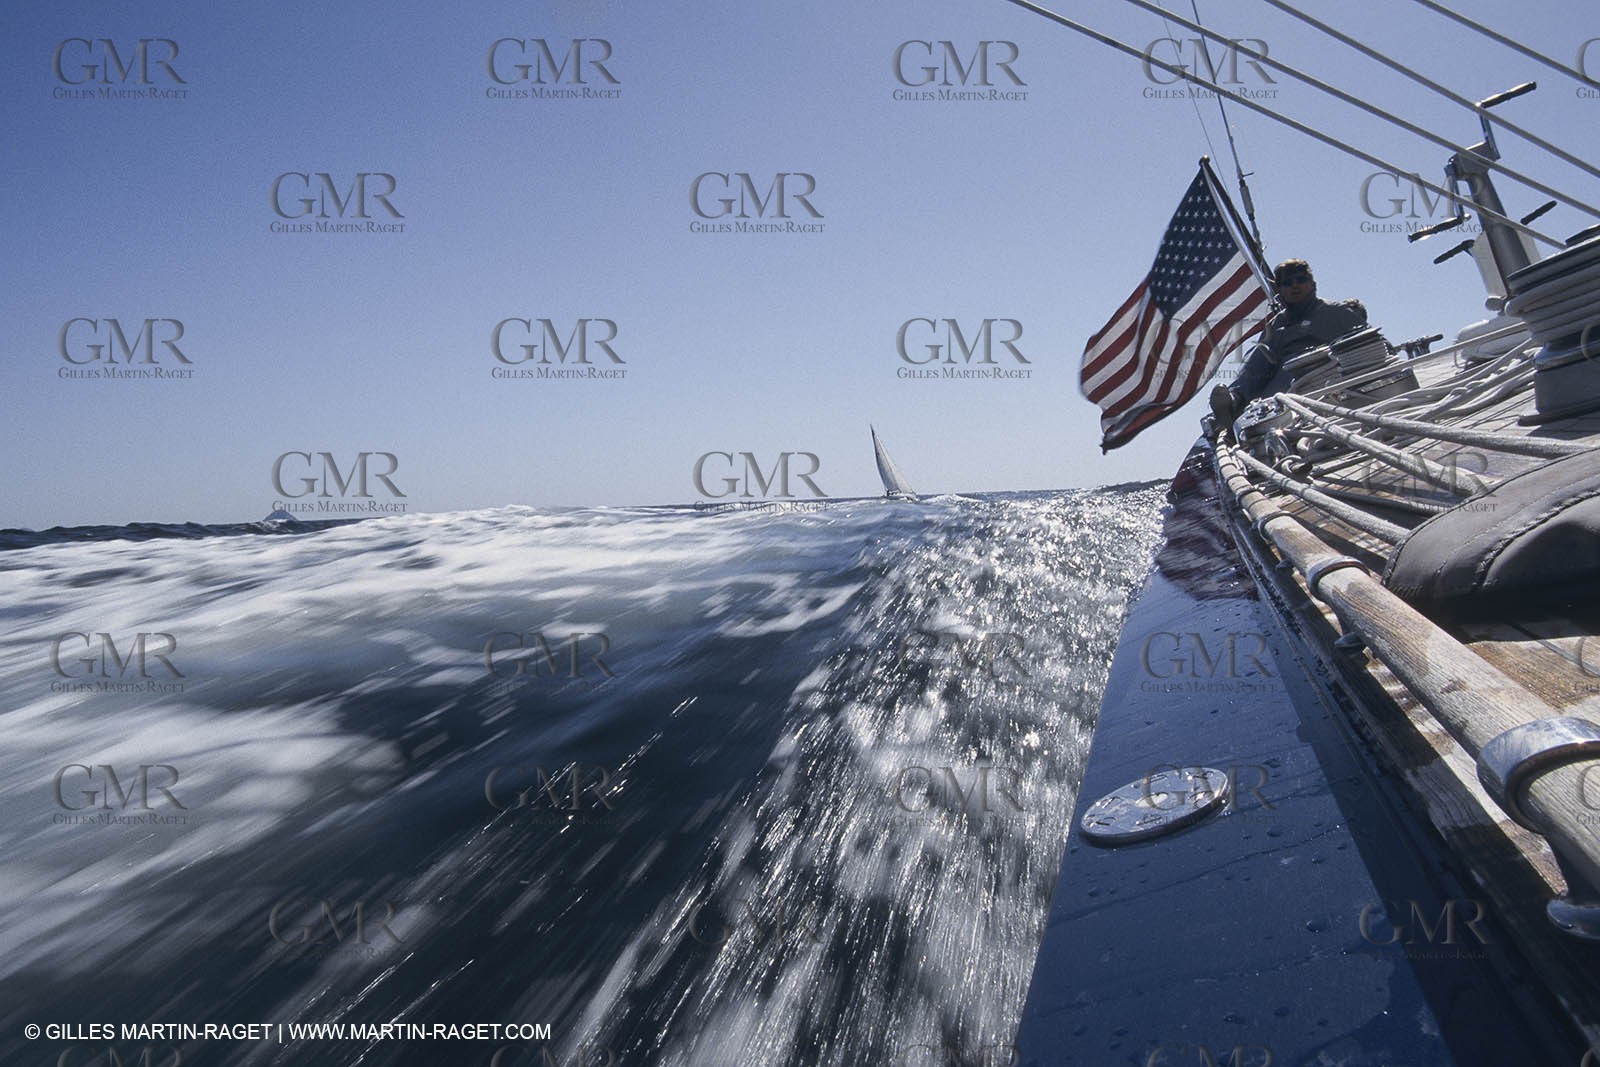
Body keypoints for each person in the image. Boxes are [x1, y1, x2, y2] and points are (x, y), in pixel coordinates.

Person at [1209, 258, 1367, 427]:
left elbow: (1374, 343)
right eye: (1287, 283)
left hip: (1328, 379)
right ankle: (1233, 402)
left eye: (1300, 280)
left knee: (1297, 363)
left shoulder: (1336, 313)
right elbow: (1256, 366)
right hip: (1283, 390)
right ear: (1280, 290)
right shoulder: (1277, 325)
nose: (1295, 286)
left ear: (1312, 284)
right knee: (1260, 356)